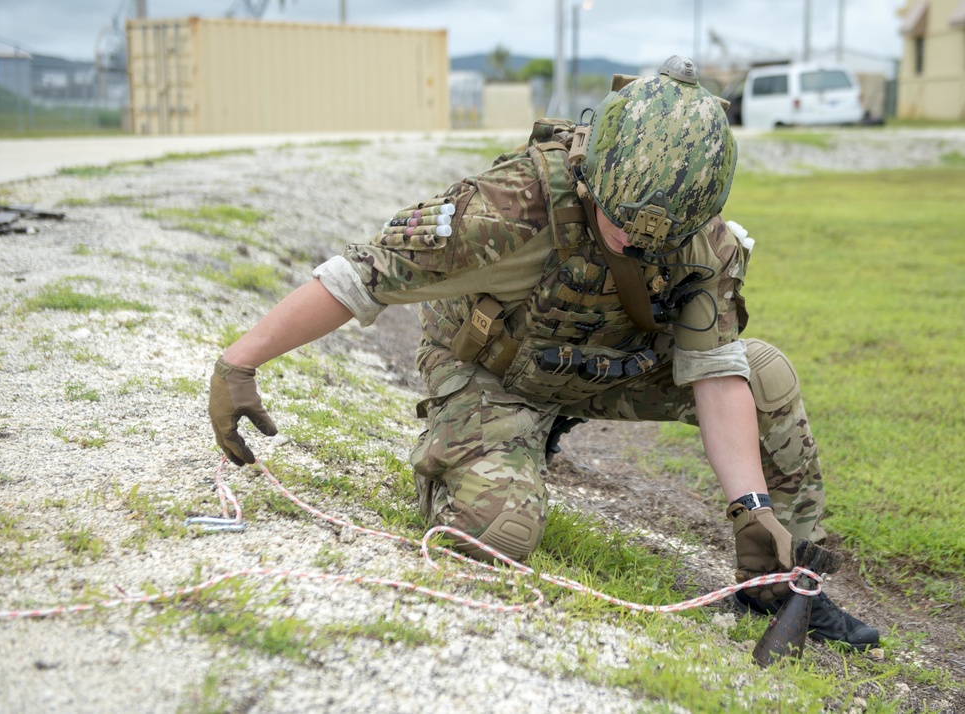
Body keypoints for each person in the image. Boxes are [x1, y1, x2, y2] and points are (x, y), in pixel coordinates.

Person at [208, 56, 879, 650]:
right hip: (496, 372)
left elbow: (712, 370)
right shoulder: (507, 208)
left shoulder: (704, 244)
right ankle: (462, 461)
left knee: (763, 371)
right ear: (593, 172)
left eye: (658, 237)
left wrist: (751, 506)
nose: (633, 244)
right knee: (495, 535)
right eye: (618, 221)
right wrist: (240, 363)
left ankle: (781, 583)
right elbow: (365, 276)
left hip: (614, 367)